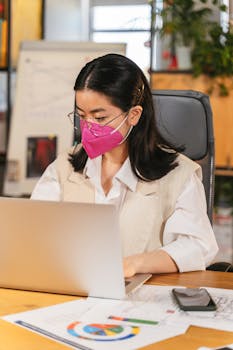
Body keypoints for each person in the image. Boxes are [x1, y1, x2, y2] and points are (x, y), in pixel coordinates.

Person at [31, 53, 218, 277]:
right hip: (71, 291)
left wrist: (135, 264)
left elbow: (198, 246)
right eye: (82, 116)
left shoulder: (178, 175)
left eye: (100, 118)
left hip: (143, 297)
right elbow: (33, 232)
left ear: (134, 115)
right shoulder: (64, 167)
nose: (88, 127)